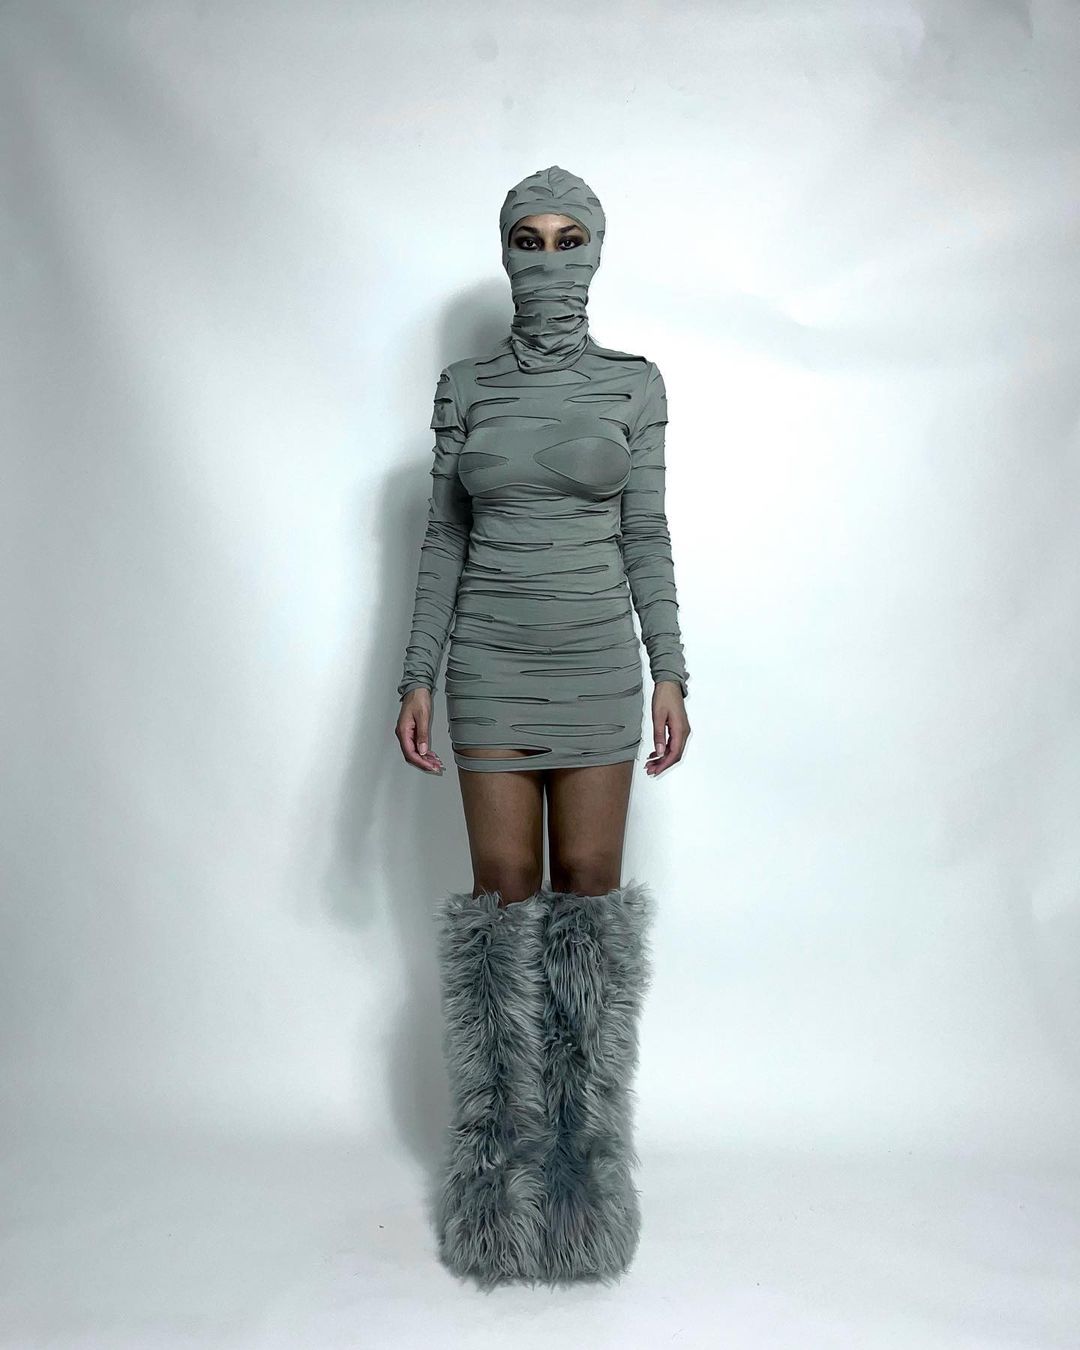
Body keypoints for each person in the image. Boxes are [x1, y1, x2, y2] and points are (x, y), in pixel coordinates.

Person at [394, 165, 691, 1287]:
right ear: (506, 250)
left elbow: (647, 532)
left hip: (599, 667)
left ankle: (583, 1189)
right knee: (504, 900)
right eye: (531, 237)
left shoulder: (634, 385)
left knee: (588, 902)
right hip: (491, 665)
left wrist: (671, 671)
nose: (551, 257)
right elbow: (444, 538)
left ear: (597, 252)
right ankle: (494, 1187)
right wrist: (417, 675)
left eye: (572, 238)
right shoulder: (464, 387)